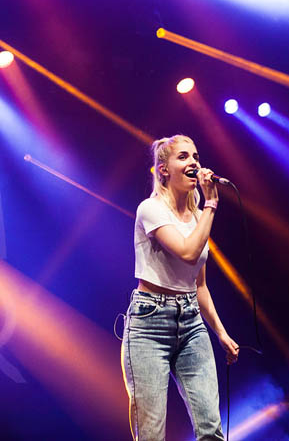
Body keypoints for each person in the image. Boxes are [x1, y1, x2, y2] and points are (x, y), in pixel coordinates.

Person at [121, 135, 239, 441]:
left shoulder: (199, 217)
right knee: (151, 434)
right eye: (184, 157)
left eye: (196, 156)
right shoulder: (151, 209)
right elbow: (187, 253)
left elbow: (199, 284)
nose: (194, 162)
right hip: (150, 324)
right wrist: (212, 202)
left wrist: (221, 333)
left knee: (211, 429)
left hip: (191, 324)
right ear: (163, 169)